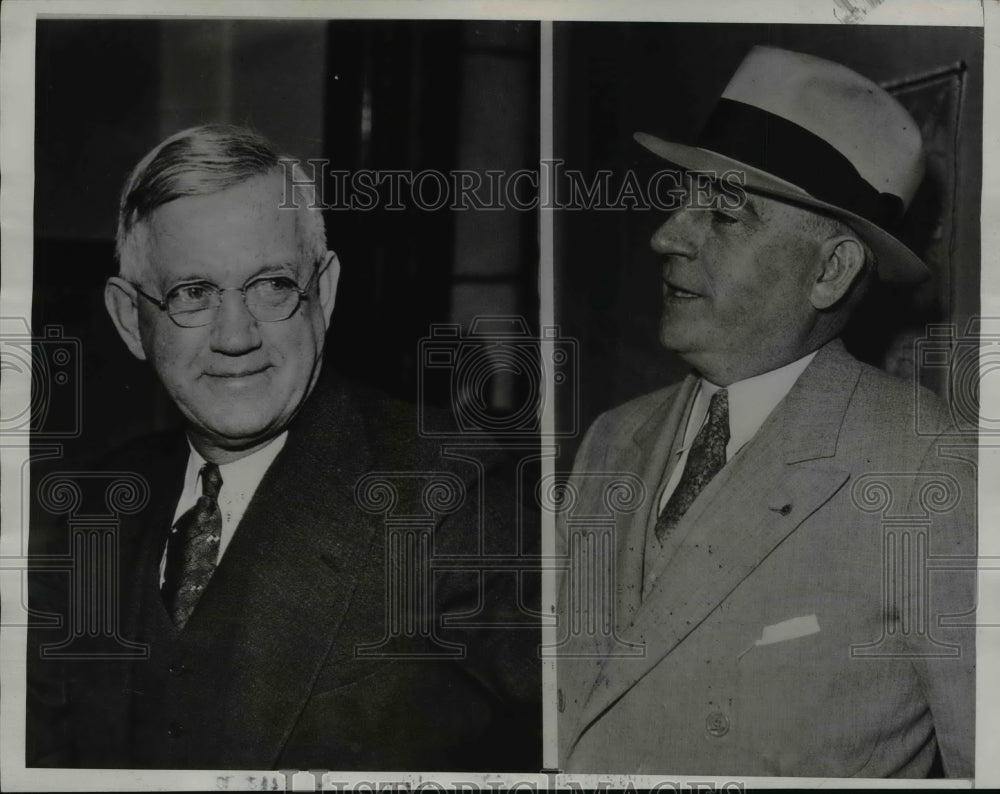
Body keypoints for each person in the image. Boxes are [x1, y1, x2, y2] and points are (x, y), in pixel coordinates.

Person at [27, 124, 539, 770]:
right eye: (193, 293)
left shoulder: (456, 500)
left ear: (321, 293)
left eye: (271, 285)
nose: (236, 336)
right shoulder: (93, 512)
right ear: (131, 319)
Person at [557, 46, 975, 778]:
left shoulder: (930, 469)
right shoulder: (609, 440)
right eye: (683, 201)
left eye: (721, 214)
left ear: (830, 270)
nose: (666, 236)